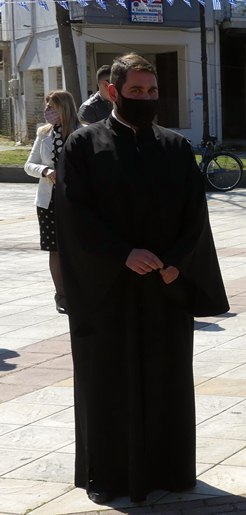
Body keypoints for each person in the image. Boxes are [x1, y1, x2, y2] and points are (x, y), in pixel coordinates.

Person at [55, 53, 229, 504]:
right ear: (114, 92)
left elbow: (195, 214)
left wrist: (176, 261)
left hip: (163, 290)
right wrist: (123, 254)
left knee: (165, 382)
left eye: (152, 91)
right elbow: (74, 215)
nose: (147, 98)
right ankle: (110, 475)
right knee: (109, 384)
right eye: (136, 91)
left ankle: (171, 470)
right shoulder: (83, 145)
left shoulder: (174, 147)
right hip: (107, 291)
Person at [24, 90, 80, 314]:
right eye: (46, 107)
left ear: (63, 108)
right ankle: (61, 294)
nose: (47, 111)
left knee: (76, 248)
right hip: (49, 202)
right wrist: (45, 170)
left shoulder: (82, 132)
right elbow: (29, 165)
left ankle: (79, 291)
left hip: (76, 201)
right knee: (54, 249)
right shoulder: (43, 134)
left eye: (51, 107)